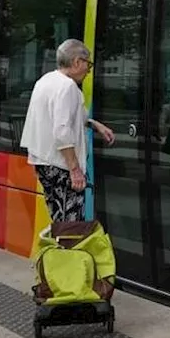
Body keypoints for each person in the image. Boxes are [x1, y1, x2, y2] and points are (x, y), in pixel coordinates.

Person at [19, 38, 114, 222]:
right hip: (60, 165)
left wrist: (94, 124)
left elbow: (69, 115)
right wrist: (75, 169)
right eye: (89, 64)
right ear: (77, 61)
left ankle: (60, 249)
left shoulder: (46, 81)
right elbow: (62, 131)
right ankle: (67, 251)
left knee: (58, 218)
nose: (89, 70)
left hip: (43, 162)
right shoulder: (67, 86)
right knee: (71, 223)